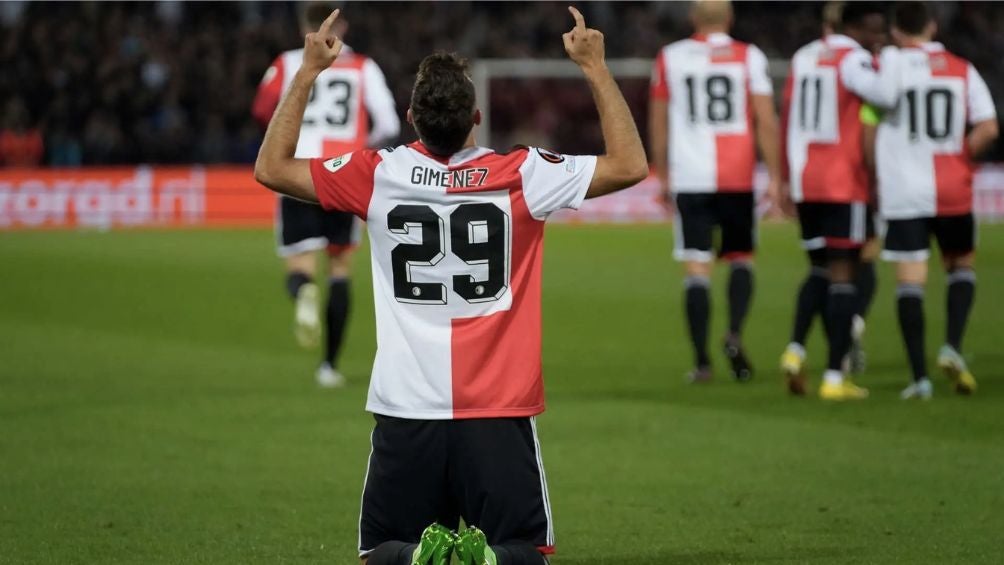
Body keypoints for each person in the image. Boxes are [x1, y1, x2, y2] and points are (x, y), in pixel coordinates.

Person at [254, 7, 647, 565]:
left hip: (407, 408)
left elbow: (271, 167)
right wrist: (594, 67)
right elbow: (630, 164)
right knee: (525, 552)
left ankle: (419, 560)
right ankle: (486, 561)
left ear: (412, 116)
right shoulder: (524, 174)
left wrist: (308, 72)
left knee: (382, 553)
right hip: (498, 410)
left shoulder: (378, 175)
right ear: (477, 117)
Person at [252, 1, 400, 388]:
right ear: (342, 27)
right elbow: (388, 122)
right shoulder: (364, 66)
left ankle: (303, 291)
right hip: (344, 173)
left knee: (300, 265)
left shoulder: (286, 63)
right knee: (339, 269)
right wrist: (359, 147)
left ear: (305, 25)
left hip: (297, 168)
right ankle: (329, 366)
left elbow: (262, 108)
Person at [868, 1, 998, 399]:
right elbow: (989, 128)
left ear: (895, 32)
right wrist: (960, 154)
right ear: (933, 26)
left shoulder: (889, 65)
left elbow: (871, 111)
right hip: (950, 185)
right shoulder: (961, 68)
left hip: (905, 189)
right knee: (961, 266)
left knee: (911, 281)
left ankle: (919, 378)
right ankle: (952, 347)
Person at [649, 0, 781, 383]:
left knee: (696, 268)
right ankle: (735, 332)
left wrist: (662, 174)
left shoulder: (670, 57)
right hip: (736, 176)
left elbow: (659, 120)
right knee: (741, 258)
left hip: (691, 177)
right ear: (730, 18)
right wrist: (774, 174)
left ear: (692, 18)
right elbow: (765, 120)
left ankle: (702, 362)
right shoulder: (749, 56)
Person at [779, 1, 901, 400]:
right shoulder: (854, 59)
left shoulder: (803, 57)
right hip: (842, 181)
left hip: (806, 179)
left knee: (818, 269)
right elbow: (886, 95)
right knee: (846, 275)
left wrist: (783, 177)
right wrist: (890, 56)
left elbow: (788, 117)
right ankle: (834, 377)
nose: (877, 38)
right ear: (852, 27)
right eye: (873, 30)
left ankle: (795, 350)